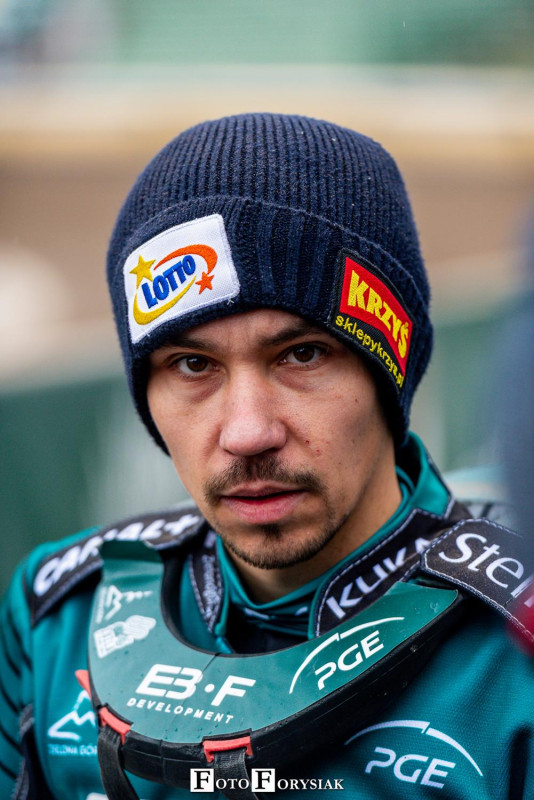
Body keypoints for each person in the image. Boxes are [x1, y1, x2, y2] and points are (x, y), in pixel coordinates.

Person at [1, 113, 533, 800]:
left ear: (389, 373)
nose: (248, 433)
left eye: (302, 354)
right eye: (193, 365)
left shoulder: (512, 656)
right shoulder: (58, 619)